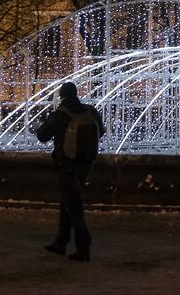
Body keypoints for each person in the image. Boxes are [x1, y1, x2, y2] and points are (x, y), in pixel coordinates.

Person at [35, 82, 105, 261]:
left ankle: (83, 246)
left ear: (62, 96)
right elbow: (101, 131)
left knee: (73, 206)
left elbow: (42, 136)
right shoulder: (90, 111)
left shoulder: (60, 115)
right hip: (86, 163)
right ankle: (61, 241)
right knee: (69, 200)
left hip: (67, 165)